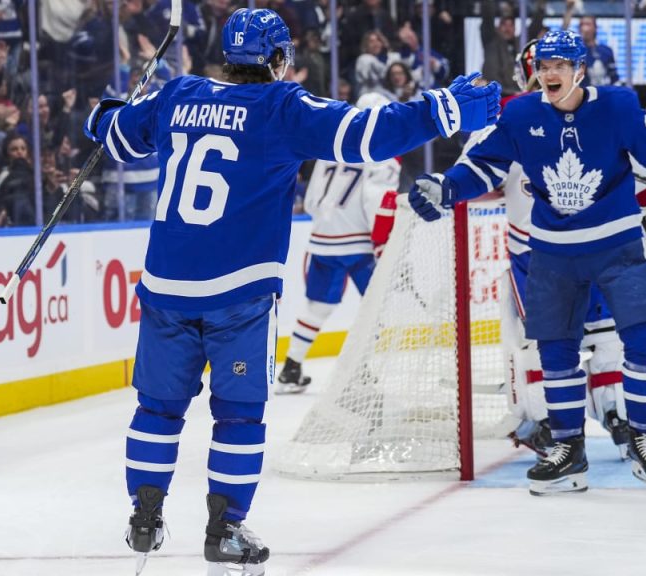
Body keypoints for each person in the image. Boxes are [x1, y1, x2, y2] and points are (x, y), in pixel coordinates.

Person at [82, 8, 500, 575]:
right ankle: (225, 527)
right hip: (239, 295)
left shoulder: (178, 93)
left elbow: (118, 140)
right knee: (238, 415)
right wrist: (444, 108)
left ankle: (144, 515)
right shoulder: (283, 107)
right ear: (279, 59)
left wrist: (108, 115)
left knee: (157, 407)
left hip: (166, 288)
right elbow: (369, 137)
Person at [409, 29, 646, 495]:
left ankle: (644, 436)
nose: (549, 73)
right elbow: (484, 165)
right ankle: (568, 448)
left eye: (559, 65)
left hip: (617, 246)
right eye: (544, 66)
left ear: (580, 70)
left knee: (645, 337)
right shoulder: (520, 114)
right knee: (556, 353)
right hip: (552, 253)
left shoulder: (619, 107)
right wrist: (445, 188)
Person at [276, 91, 401, 394]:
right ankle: (359, 370)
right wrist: (384, 245)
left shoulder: (332, 144)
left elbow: (311, 200)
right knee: (377, 308)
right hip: (359, 243)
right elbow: (377, 201)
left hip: (323, 239)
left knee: (317, 306)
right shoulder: (382, 150)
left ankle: (291, 368)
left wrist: (327, 221)